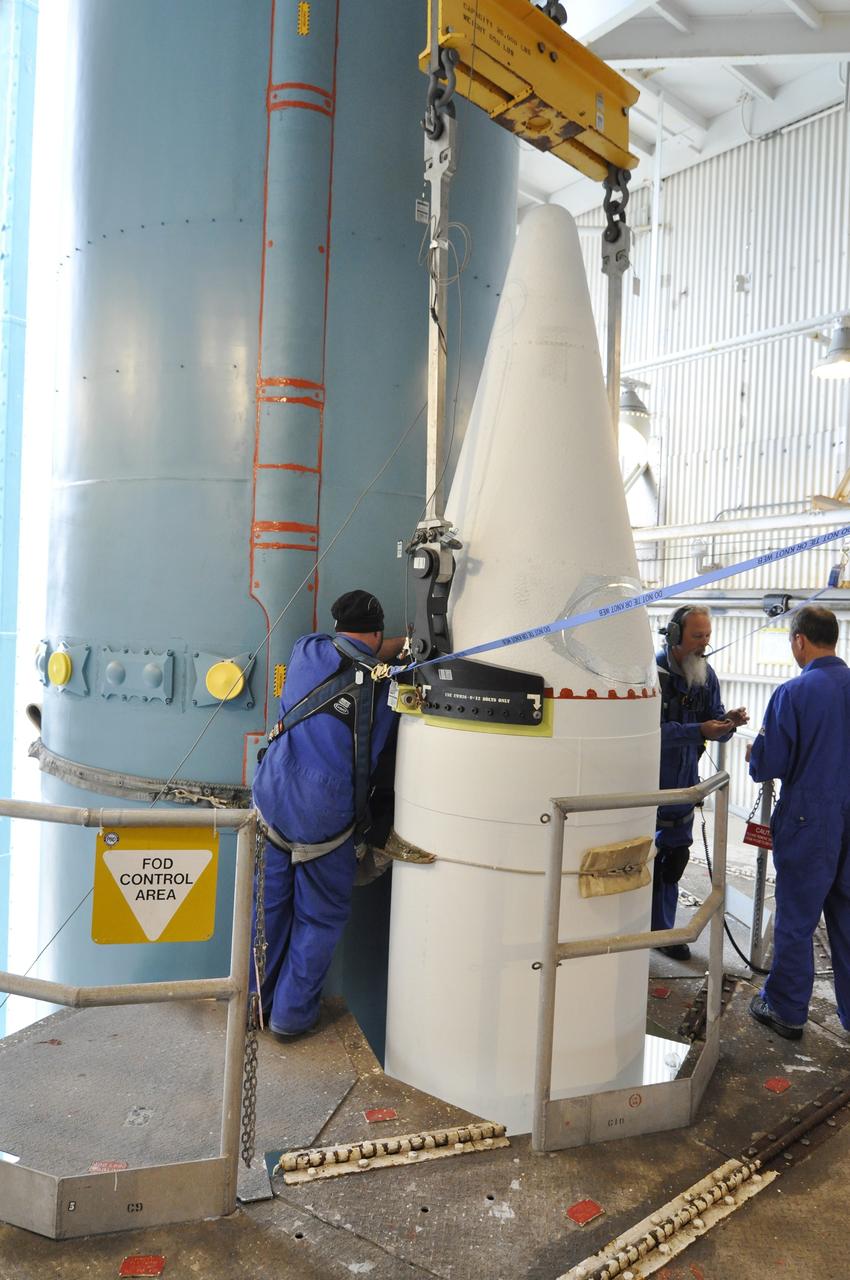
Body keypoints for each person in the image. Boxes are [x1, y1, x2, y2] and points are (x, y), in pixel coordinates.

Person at [250, 589, 403, 1038]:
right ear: (377, 631)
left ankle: (252, 1005)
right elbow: (382, 675)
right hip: (325, 819)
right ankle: (290, 1018)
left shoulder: (306, 651)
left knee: (266, 914)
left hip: (273, 801)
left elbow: (360, 649)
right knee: (318, 919)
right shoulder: (384, 688)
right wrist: (406, 649)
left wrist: (384, 646)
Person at [748, 605, 850, 1040]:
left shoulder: (794, 693)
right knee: (847, 922)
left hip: (811, 820)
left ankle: (787, 1009)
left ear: (799, 641)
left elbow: (769, 762)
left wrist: (756, 753)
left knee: (796, 918)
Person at [653, 606, 748, 959]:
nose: (704, 643)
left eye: (707, 635)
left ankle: (661, 932)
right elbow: (649, 732)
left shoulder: (706, 676)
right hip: (651, 785)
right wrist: (699, 730)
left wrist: (728, 723)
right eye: (697, 636)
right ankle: (648, 931)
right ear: (675, 635)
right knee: (647, 861)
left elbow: (713, 723)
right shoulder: (653, 675)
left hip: (684, 784)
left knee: (674, 859)